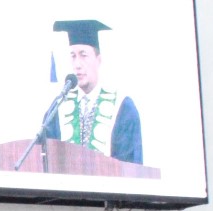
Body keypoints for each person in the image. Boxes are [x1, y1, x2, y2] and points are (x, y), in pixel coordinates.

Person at [44, 19, 143, 165]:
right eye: (73, 56)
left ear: (98, 60)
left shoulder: (122, 108)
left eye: (83, 55)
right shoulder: (59, 107)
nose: (77, 64)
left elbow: (130, 165)